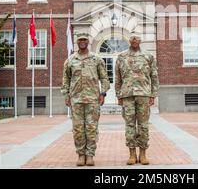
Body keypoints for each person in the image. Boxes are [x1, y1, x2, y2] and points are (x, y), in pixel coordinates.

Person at [61, 32, 110, 166]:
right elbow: (66, 80)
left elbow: (105, 78)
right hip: (76, 100)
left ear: (88, 42)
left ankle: (90, 155)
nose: (82, 42)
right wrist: (66, 95)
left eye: (84, 40)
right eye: (80, 40)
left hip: (93, 100)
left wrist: (103, 93)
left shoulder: (97, 59)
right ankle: (81, 155)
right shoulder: (70, 60)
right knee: (78, 129)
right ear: (77, 42)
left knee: (91, 128)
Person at [115, 33, 159, 165]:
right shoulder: (121, 57)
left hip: (144, 95)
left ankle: (143, 154)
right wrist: (118, 95)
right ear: (129, 40)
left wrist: (153, 94)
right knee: (129, 126)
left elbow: (154, 76)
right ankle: (132, 154)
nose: (135, 40)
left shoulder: (148, 56)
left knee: (143, 125)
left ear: (140, 40)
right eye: (132, 38)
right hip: (127, 95)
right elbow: (117, 77)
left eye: (137, 38)